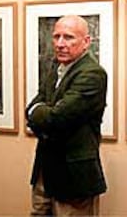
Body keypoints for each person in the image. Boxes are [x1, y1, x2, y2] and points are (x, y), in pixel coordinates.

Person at [26, 15, 107, 216]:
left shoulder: (92, 74)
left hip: (73, 177)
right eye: (56, 37)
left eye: (68, 37)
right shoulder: (56, 68)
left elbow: (56, 119)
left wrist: (37, 112)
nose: (60, 44)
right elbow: (34, 106)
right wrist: (37, 112)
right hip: (45, 169)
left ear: (86, 42)